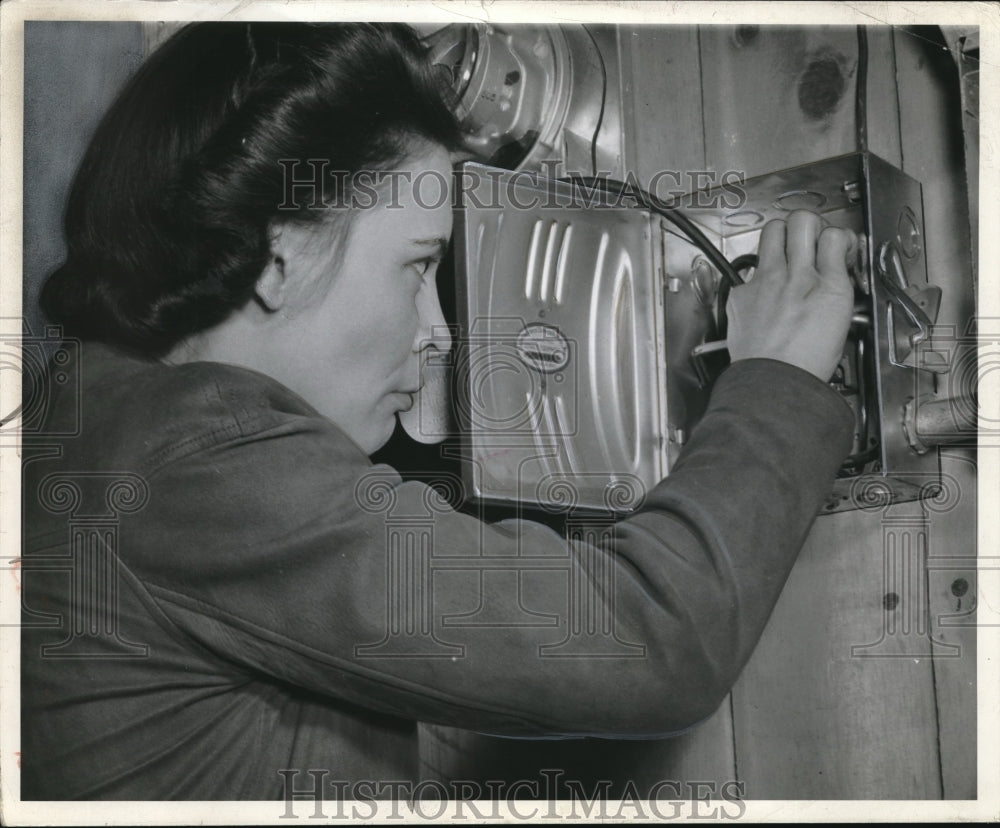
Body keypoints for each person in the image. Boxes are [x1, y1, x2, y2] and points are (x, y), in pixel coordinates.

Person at [21, 22, 856, 800]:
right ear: (280, 256)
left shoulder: (104, 424)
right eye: (417, 266)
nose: (440, 333)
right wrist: (777, 377)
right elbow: (658, 643)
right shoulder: (194, 461)